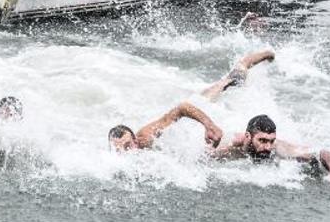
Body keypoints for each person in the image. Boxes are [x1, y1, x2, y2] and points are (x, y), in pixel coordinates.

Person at [108, 49, 275, 152]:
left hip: (195, 111)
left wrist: (209, 126)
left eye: (128, 146)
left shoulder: (145, 137)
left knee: (230, 83)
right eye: (119, 150)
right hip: (186, 125)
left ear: (135, 141)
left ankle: (249, 60)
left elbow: (182, 108)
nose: (126, 153)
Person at [209, 114, 330, 182]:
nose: (268, 147)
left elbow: (321, 153)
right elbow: (202, 157)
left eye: (271, 140)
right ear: (248, 136)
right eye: (262, 140)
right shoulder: (229, 147)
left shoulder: (277, 147)